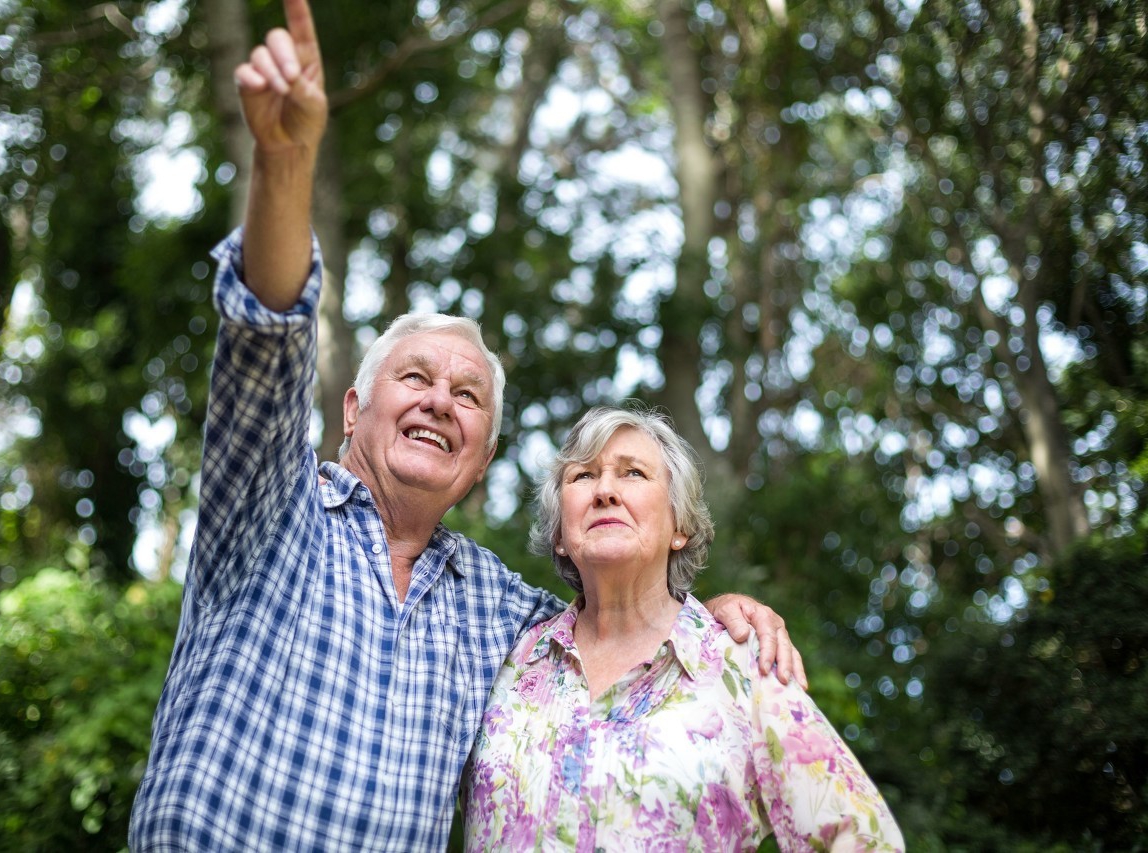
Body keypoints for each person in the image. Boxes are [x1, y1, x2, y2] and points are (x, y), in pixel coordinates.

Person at [128, 1, 805, 849]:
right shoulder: (273, 502)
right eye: (414, 377)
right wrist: (287, 161)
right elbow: (267, 335)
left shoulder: (500, 613)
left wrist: (718, 610)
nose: (440, 401)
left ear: (479, 461)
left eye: (468, 397)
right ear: (352, 411)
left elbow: (617, 613)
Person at [463, 406, 904, 850]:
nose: (605, 491)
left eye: (633, 473)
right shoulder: (508, 657)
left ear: (681, 526)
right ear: (560, 533)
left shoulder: (741, 666)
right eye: (584, 476)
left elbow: (864, 837)